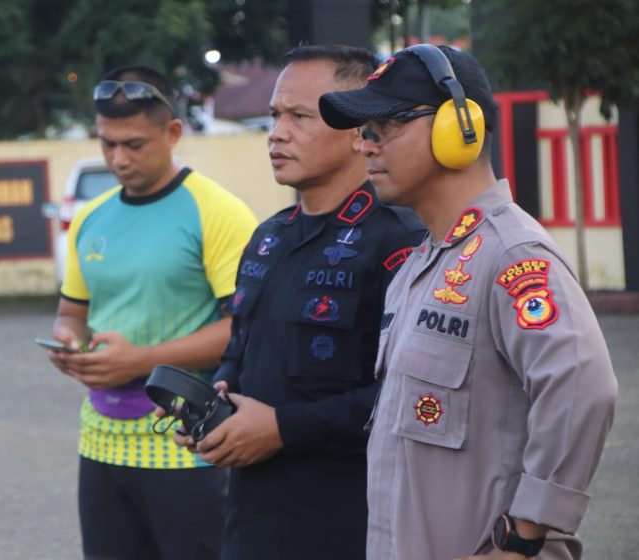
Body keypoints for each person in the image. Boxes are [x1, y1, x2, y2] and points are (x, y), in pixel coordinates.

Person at [318, 44, 619, 559]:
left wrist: (522, 541)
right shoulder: (419, 266)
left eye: (382, 127)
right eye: (362, 133)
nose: (365, 147)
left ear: (460, 128)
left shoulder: (511, 253)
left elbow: (582, 388)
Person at [173, 45, 427, 559]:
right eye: (273, 116)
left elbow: (416, 399)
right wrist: (217, 406)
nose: (276, 133)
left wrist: (281, 429)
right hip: (251, 528)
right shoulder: (268, 238)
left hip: (352, 530)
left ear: (359, 130)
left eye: (299, 117)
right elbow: (243, 354)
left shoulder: (402, 242)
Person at [47, 65, 257, 560]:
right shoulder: (90, 218)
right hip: (100, 445)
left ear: (173, 132)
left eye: (135, 144)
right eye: (107, 144)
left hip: (187, 449)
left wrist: (139, 361)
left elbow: (245, 331)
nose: (119, 159)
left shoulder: (217, 212)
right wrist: (67, 342)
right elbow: (71, 313)